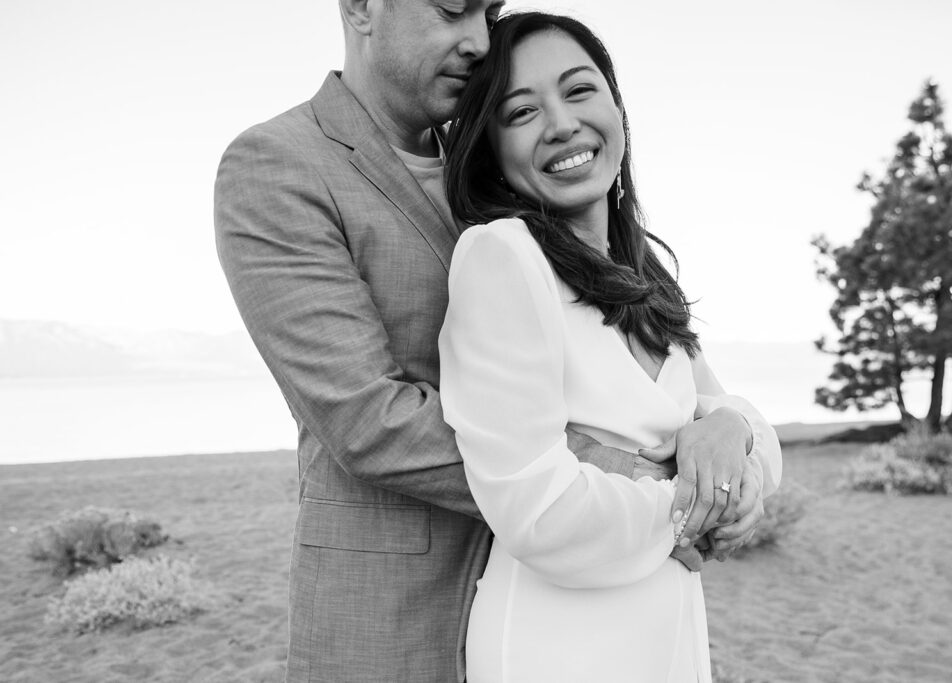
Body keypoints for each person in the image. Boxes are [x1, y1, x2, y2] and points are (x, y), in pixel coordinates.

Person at [214, 1, 778, 680]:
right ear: (362, 7)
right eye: (453, 10)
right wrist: (636, 468)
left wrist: (719, 429)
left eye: (489, 11)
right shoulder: (278, 165)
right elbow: (366, 417)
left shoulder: (506, 165)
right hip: (395, 604)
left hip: (582, 584)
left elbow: (635, 359)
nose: (478, 40)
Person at [439, 11, 782, 682]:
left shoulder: (644, 274)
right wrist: (695, 503)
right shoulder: (502, 256)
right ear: (492, 150)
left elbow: (759, 442)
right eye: (520, 111)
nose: (562, 123)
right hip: (556, 644)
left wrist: (729, 429)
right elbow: (537, 509)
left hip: (665, 634)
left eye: (579, 90)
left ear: (617, 106)